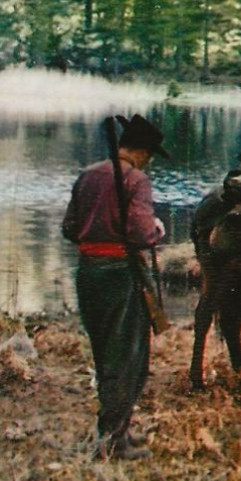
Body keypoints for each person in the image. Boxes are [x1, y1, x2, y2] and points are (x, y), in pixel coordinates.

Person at [61, 113, 169, 461]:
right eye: (149, 156)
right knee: (127, 359)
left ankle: (116, 431)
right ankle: (112, 443)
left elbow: (69, 227)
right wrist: (156, 230)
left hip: (88, 273)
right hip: (121, 273)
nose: (148, 163)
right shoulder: (136, 180)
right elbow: (140, 233)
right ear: (141, 152)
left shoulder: (88, 175)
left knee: (106, 352)